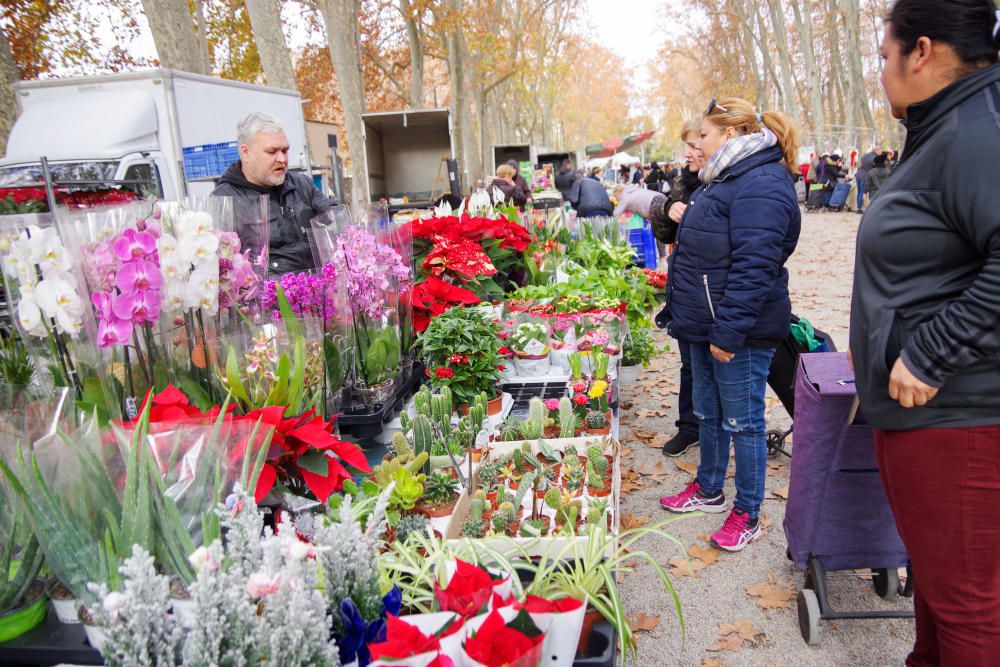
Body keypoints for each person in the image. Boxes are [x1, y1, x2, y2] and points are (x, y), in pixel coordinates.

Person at [849, 0, 1000, 662]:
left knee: (969, 610)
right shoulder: (945, 125)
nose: (881, 73)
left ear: (922, 51)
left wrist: (933, 351)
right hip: (926, 420)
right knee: (940, 598)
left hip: (960, 418)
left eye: (884, 56)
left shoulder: (978, 130)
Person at [617, 97, 801, 552]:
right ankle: (710, 489)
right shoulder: (720, 179)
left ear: (732, 134)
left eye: (702, 135)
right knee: (709, 413)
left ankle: (749, 512)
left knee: (744, 422)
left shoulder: (760, 182)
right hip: (703, 323)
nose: (694, 144)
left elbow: (756, 265)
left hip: (735, 330)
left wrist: (729, 331)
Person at [616, 116, 707, 458]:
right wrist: (669, 208)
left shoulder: (726, 183)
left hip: (711, 290)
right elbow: (665, 233)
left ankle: (710, 428)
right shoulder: (685, 181)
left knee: (712, 367)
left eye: (695, 145)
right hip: (685, 287)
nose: (688, 152)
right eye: (687, 145)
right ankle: (689, 428)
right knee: (689, 363)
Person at [213, 112, 336, 276]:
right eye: (272, 152)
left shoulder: (301, 184)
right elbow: (225, 269)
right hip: (270, 298)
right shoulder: (224, 201)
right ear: (246, 153)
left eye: (285, 151)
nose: (282, 159)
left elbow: (336, 221)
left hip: (319, 290)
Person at [854, 146, 882, 213]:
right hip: (865, 176)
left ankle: (858, 207)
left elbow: (859, 165)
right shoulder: (875, 158)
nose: (881, 153)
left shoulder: (865, 155)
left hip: (858, 175)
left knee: (859, 192)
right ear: (877, 151)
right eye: (880, 152)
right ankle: (859, 208)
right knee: (862, 192)